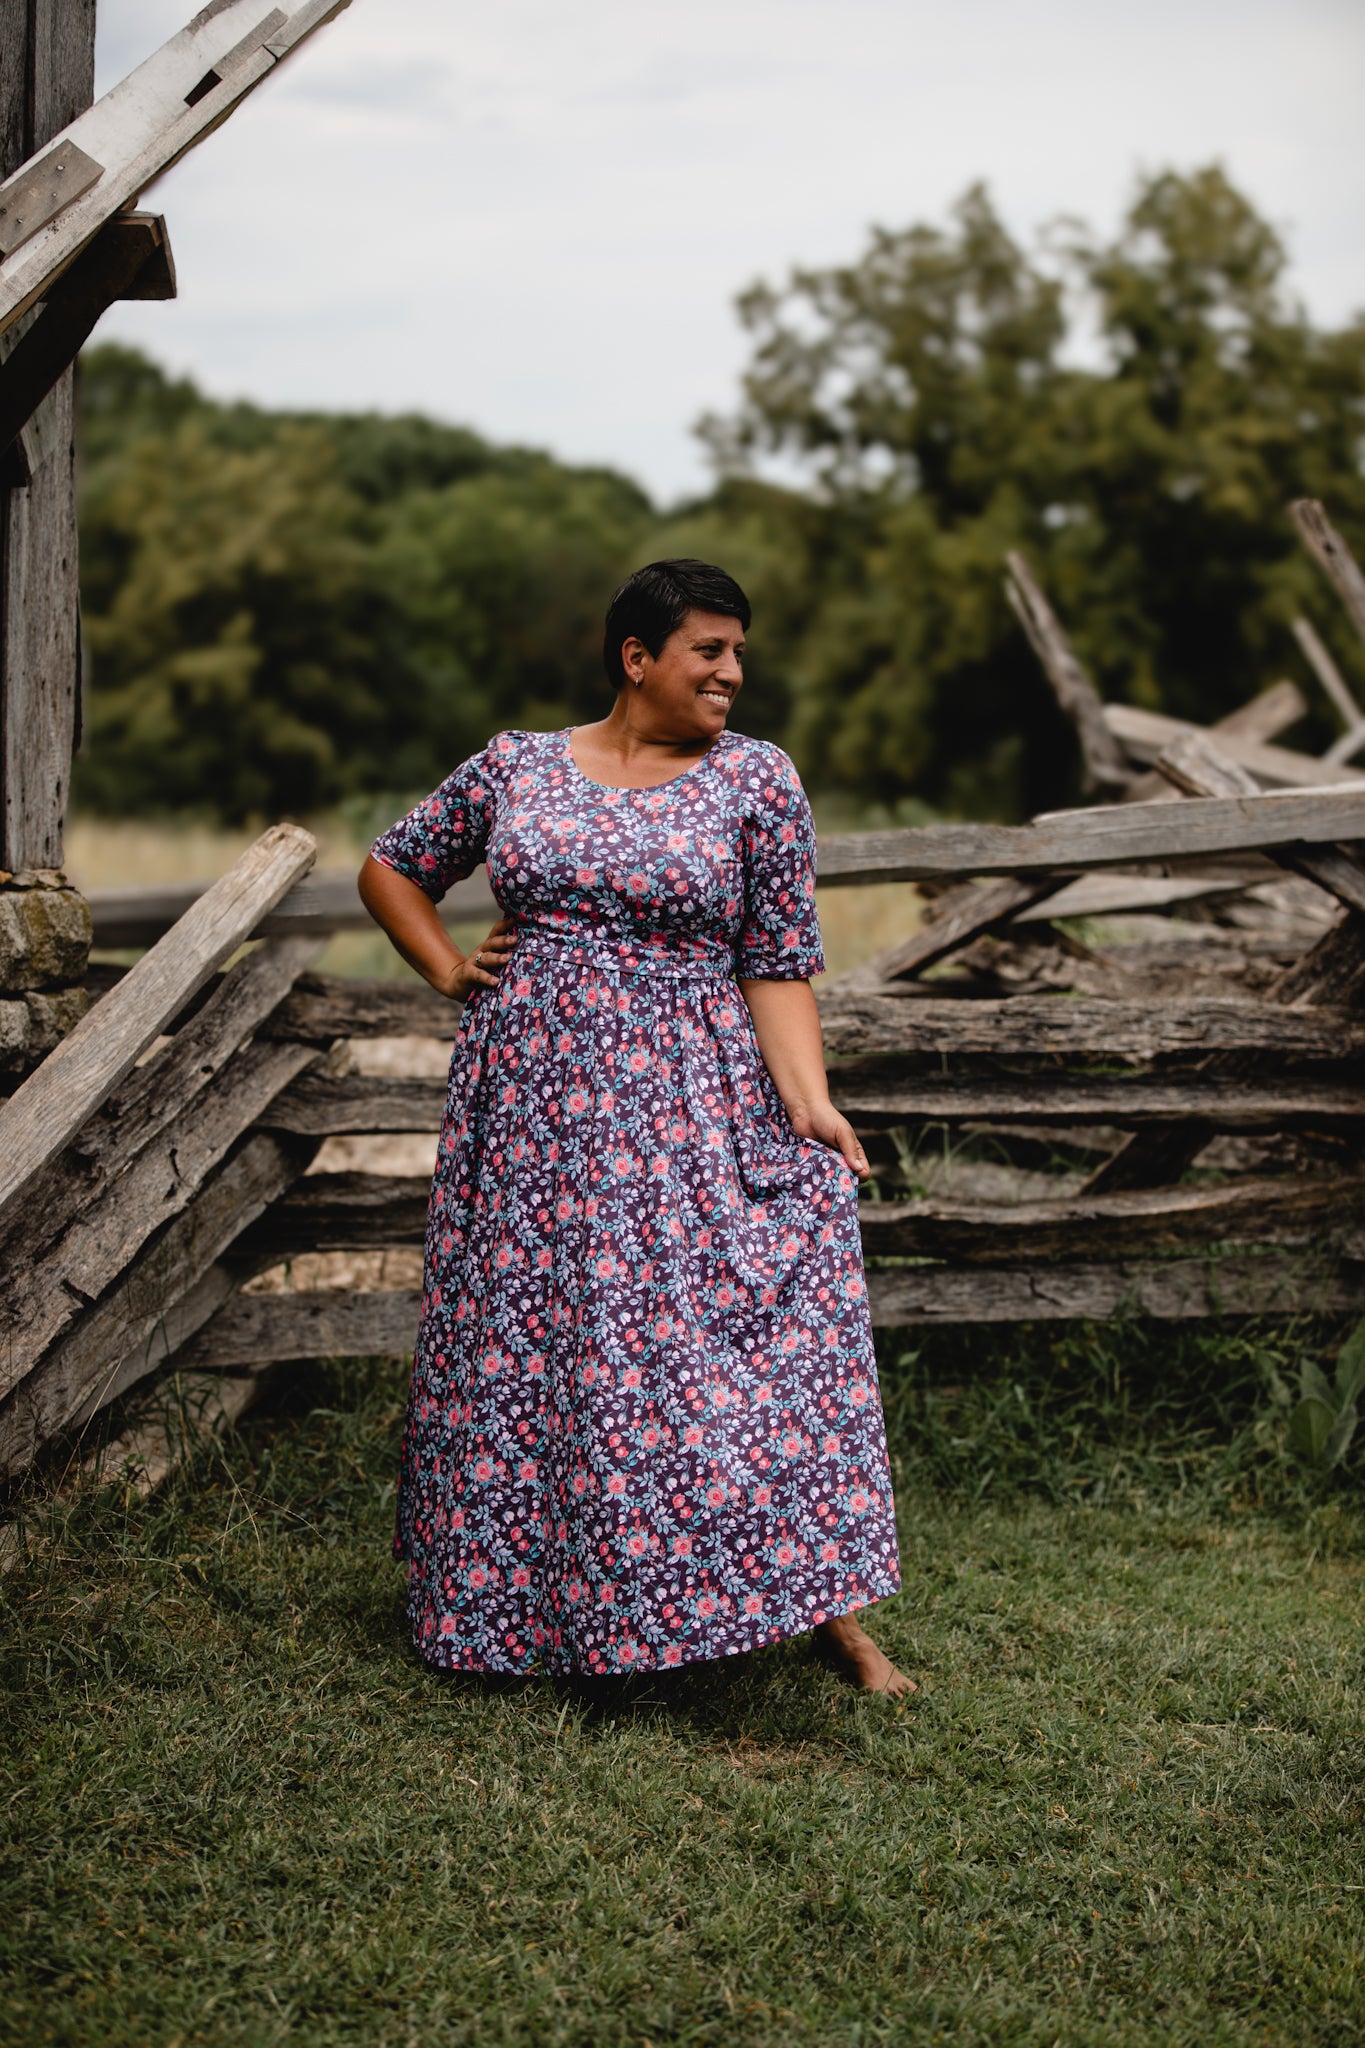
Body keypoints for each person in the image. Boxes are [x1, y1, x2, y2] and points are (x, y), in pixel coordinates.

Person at [358, 558, 911, 1696]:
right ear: (638, 657)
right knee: (530, 1348)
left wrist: (809, 1103)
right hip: (527, 1115)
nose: (733, 672)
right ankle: (520, 1607)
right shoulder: (517, 762)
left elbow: (779, 959)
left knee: (706, 1345)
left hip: (685, 1107)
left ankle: (821, 1608)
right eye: (711, 649)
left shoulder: (757, 781)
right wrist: (451, 969)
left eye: (740, 652)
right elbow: (391, 866)